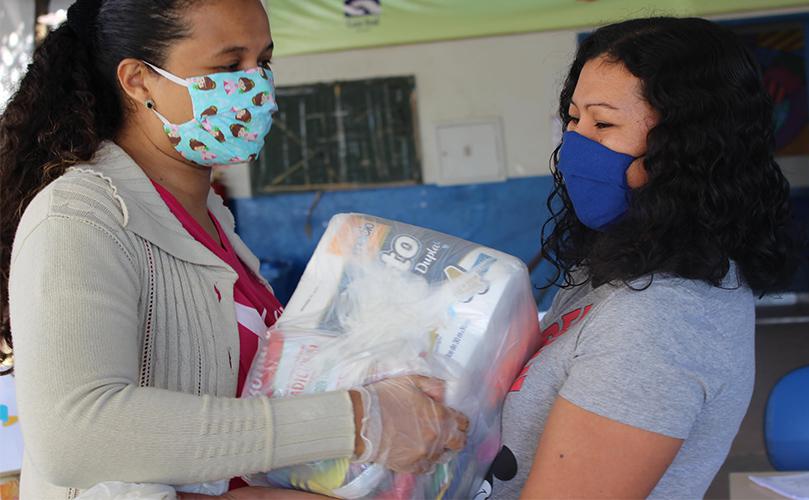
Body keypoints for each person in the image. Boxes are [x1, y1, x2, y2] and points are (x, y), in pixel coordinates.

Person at [0, 0, 467, 498]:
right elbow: (75, 436)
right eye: (228, 66)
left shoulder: (211, 219)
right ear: (139, 80)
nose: (256, 86)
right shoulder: (81, 215)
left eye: (262, 61)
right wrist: (355, 420)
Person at [480, 17, 796, 499]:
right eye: (573, 118)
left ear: (687, 146)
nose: (574, 145)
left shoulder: (659, 319)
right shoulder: (626, 263)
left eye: (604, 123)